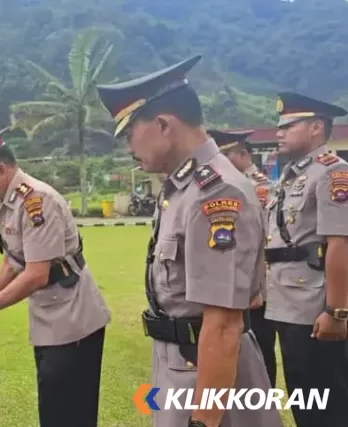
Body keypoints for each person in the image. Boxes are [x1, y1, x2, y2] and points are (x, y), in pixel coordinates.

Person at [96, 55, 282, 427]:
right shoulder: (182, 188)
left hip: (208, 376)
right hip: (180, 362)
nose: (129, 148)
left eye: (131, 133)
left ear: (163, 125)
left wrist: (204, 421)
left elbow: (224, 323)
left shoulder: (215, 193)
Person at [0, 127, 111, 427]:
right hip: (51, 314)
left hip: (72, 318)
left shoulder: (37, 201)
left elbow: (35, 274)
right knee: (53, 407)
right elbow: (12, 262)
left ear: (1, 168)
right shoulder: (10, 204)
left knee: (69, 413)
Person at [263, 91, 348, 427]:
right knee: (306, 400)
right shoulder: (293, 175)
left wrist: (336, 312)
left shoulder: (332, 173)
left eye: (289, 125)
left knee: (327, 405)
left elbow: (340, 243)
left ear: (316, 127)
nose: (279, 132)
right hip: (289, 302)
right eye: (278, 126)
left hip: (316, 306)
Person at [208, 128, 277, 387]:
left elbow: (262, 239)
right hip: (240, 280)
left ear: (244, 154)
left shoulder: (258, 188)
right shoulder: (229, 184)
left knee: (260, 347)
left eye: (227, 155)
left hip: (260, 285)